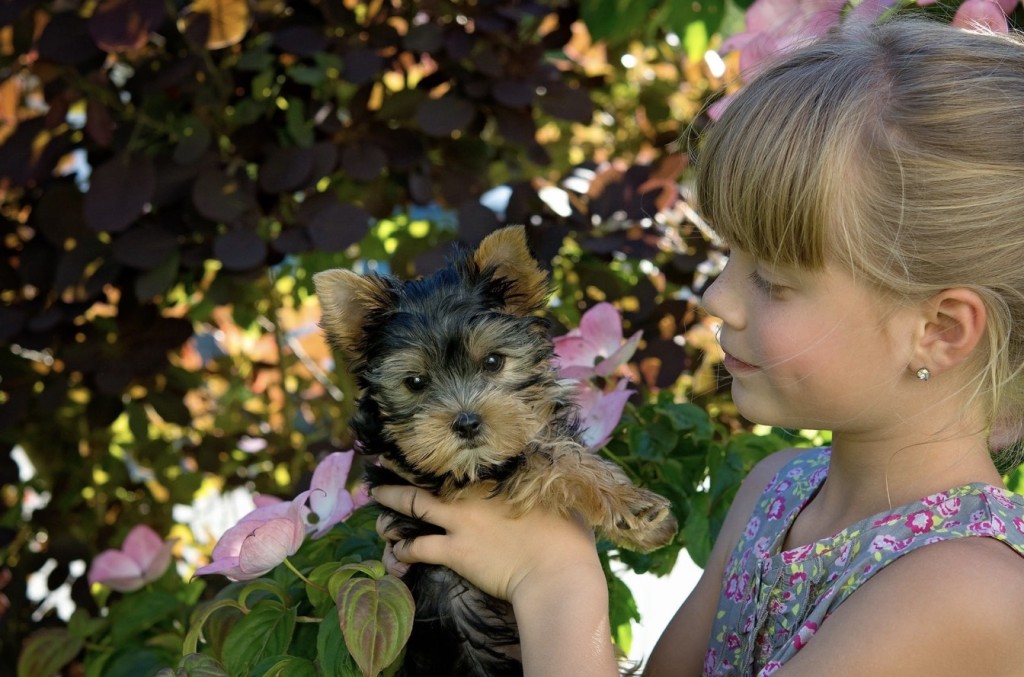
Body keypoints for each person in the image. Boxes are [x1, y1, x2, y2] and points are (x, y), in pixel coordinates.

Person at [371, 17, 1024, 676]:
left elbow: (559, 594)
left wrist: (554, 579)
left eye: (772, 280)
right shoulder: (780, 490)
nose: (717, 297)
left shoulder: (964, 591)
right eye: (728, 256)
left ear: (938, 331)